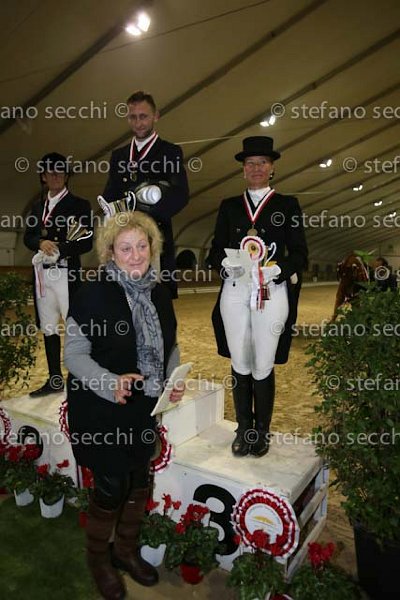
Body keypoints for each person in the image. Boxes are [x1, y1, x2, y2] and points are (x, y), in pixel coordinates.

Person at [64, 211, 183, 600]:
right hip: (100, 407)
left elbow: (170, 344)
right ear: (110, 252)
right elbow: (74, 356)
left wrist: (173, 378)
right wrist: (109, 383)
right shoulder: (93, 293)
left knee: (139, 479)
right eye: (126, 248)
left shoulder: (160, 291)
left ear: (153, 247)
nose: (136, 255)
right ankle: (98, 558)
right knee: (112, 485)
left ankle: (125, 551)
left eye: (142, 246)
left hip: (141, 406)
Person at [208, 136, 308, 458]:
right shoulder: (229, 206)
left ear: (272, 168)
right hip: (236, 290)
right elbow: (214, 252)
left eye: (262, 163)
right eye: (250, 163)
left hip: (271, 290)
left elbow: (300, 253)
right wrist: (225, 266)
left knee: (263, 362)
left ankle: (261, 430)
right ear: (243, 169)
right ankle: (244, 429)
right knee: (240, 360)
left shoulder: (287, 205)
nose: (256, 168)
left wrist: (278, 270)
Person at [102, 90, 189, 298]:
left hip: (155, 238)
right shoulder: (119, 156)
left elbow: (180, 194)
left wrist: (146, 217)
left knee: (159, 301)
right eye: (133, 117)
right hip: (124, 240)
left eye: (143, 116)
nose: (138, 123)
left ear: (155, 116)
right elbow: (110, 195)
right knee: (124, 301)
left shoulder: (170, 152)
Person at [24, 152, 93, 397]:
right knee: (49, 327)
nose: (56, 176)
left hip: (66, 273)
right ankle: (55, 379)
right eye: (51, 172)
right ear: (43, 176)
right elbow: (28, 237)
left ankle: (82, 378)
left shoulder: (80, 205)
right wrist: (40, 242)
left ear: (66, 175)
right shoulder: (37, 207)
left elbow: (86, 241)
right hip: (43, 277)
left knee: (75, 327)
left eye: (60, 172)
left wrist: (60, 249)